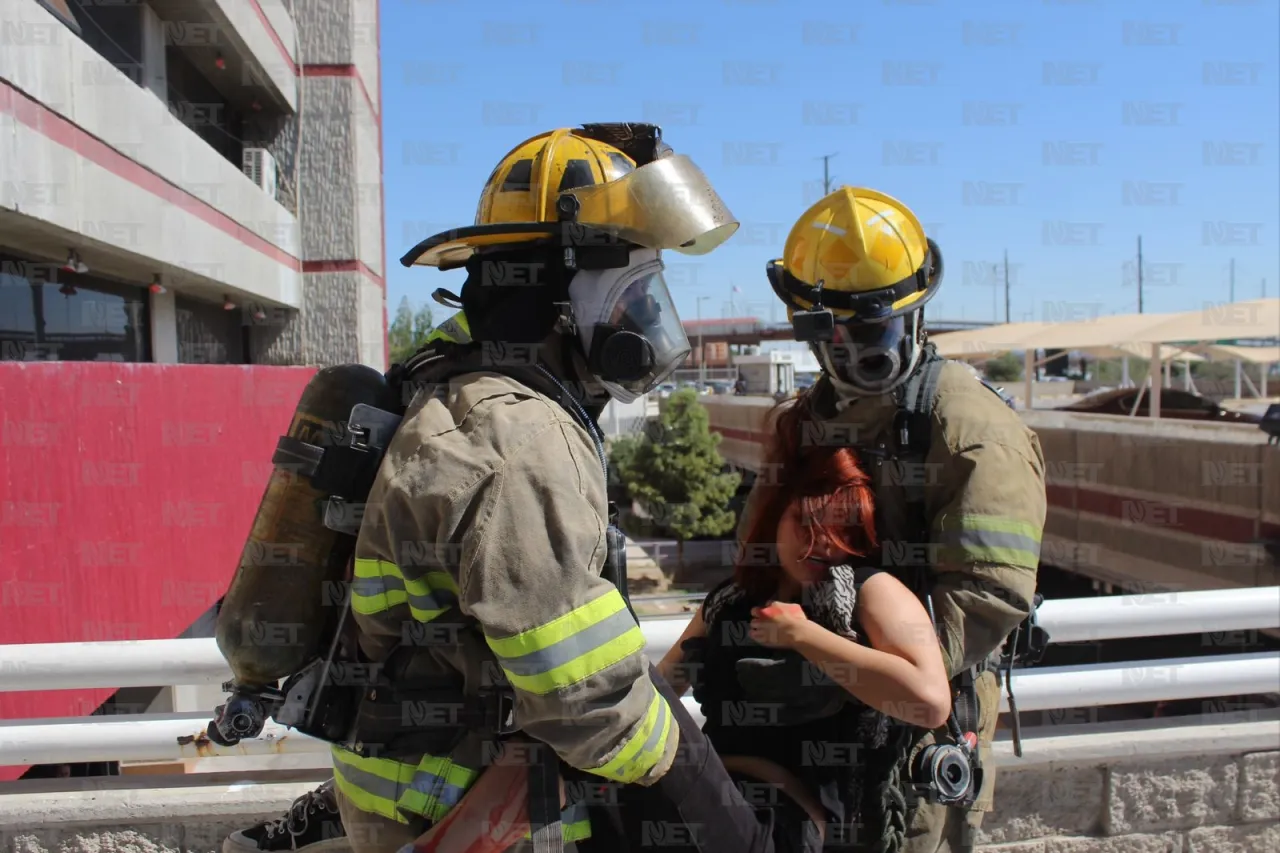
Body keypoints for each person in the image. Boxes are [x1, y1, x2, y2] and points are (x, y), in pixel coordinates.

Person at [223, 124, 783, 853]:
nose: (642, 321)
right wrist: (719, 816)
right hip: (463, 816)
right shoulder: (516, 441)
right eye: (628, 291)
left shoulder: (453, 381)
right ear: (556, 291)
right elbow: (591, 705)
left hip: (414, 794)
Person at [746, 187, 1047, 853]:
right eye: (837, 331)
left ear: (916, 311)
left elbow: (987, 595)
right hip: (811, 721)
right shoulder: (812, 416)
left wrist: (857, 665)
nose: (859, 350)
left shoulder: (970, 429)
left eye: (875, 327)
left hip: (914, 732)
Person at [657, 397, 952, 852]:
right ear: (777, 514)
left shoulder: (868, 592)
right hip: (707, 799)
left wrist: (806, 637)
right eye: (806, 523)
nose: (820, 546)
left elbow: (929, 702)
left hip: (790, 827)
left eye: (842, 532)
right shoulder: (731, 601)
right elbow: (660, 694)